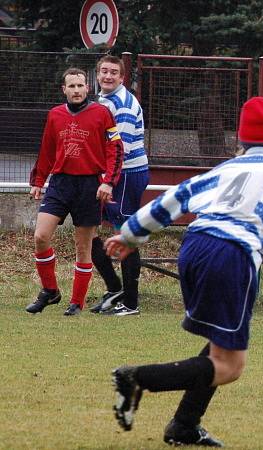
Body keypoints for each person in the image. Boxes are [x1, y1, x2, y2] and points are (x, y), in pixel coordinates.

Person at [105, 96, 263, 446]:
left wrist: (131, 233)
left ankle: (184, 425)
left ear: (242, 140)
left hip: (194, 246)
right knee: (230, 366)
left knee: (219, 346)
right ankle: (136, 378)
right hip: (232, 254)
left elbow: (176, 197)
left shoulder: (225, 169)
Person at [25, 68, 123, 316]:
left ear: (87, 88)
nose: (76, 90)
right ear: (64, 89)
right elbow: (47, 150)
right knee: (40, 236)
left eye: (80, 86)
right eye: (72, 86)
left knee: (83, 247)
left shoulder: (102, 113)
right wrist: (38, 180)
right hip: (60, 184)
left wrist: (108, 182)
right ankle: (50, 291)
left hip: (90, 186)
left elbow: (116, 149)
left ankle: (76, 303)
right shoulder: (55, 115)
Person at [88, 55, 150, 317]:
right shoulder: (102, 100)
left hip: (124, 175)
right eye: (104, 71)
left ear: (122, 78)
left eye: (114, 72)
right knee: (88, 229)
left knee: (125, 235)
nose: (108, 76)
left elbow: (117, 149)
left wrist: (107, 181)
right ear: (98, 75)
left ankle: (131, 304)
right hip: (110, 175)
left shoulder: (122, 104)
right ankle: (115, 289)